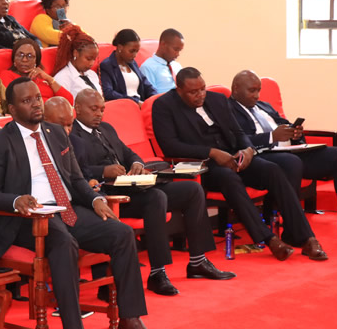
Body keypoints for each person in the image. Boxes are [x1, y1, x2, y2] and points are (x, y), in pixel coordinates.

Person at [0, 76, 152, 329]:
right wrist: (15, 200)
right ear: (12, 109)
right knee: (63, 242)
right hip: (29, 217)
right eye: (27, 100)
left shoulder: (56, 132)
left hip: (68, 208)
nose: (36, 104)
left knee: (122, 233)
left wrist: (95, 200)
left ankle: (130, 321)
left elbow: (76, 179)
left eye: (38, 97)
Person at [152, 67, 328, 261]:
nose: (200, 95)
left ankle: (306, 238)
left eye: (202, 89)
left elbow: (238, 133)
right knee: (229, 178)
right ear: (179, 89)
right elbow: (170, 145)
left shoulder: (217, 99)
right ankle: (269, 239)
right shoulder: (164, 106)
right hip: (204, 165)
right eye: (193, 92)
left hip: (234, 157)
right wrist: (212, 152)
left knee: (272, 170)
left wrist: (247, 150)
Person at [71, 88, 234, 297]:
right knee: (156, 197)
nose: (99, 114)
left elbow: (129, 154)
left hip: (134, 186)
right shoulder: (71, 134)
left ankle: (198, 261)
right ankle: (158, 273)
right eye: (93, 109)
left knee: (192, 189)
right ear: (77, 108)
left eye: (102, 109)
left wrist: (137, 164)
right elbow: (76, 172)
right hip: (109, 196)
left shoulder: (106, 128)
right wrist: (103, 171)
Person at [228, 70, 337, 241]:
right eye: (252, 90)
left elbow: (285, 126)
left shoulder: (264, 106)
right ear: (236, 88)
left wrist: (295, 133)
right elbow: (235, 142)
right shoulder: (227, 110)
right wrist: (272, 137)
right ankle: (292, 231)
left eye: (259, 90)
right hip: (262, 157)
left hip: (290, 152)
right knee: (292, 162)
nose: (257, 95)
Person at [0, 37, 73, 104]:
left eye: (29, 56)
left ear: (36, 61)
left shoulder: (42, 77)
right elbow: (14, 103)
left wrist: (49, 79)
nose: (24, 59)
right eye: (20, 55)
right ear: (14, 60)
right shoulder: (7, 75)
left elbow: (69, 100)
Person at [100, 29, 158, 103]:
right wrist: (135, 101)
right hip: (124, 105)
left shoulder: (132, 63)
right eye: (132, 51)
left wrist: (155, 98)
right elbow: (108, 92)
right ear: (120, 47)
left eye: (137, 51)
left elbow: (147, 85)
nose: (135, 55)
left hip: (141, 104)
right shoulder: (107, 66)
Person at [53, 25, 101, 100]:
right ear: (75, 53)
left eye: (94, 59)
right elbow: (63, 105)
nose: (92, 63)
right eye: (88, 59)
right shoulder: (63, 77)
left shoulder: (92, 74)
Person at [140, 28, 184, 94]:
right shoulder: (148, 67)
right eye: (175, 49)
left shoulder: (177, 66)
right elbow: (151, 96)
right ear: (163, 44)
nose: (178, 54)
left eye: (179, 50)